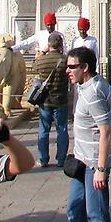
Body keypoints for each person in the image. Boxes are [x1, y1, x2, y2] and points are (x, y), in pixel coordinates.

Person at [66, 46, 111, 222]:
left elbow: (106, 132)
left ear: (85, 67)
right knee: (74, 210)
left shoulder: (94, 93)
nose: (67, 70)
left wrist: (101, 169)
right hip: (81, 160)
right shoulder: (93, 83)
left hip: (93, 165)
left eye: (72, 66)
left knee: (97, 217)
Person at [33, 32, 68, 168]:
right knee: (62, 130)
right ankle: (61, 159)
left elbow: (34, 67)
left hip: (45, 101)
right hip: (61, 100)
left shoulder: (42, 60)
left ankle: (43, 159)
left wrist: (42, 52)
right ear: (60, 45)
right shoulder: (65, 60)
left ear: (49, 45)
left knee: (43, 130)